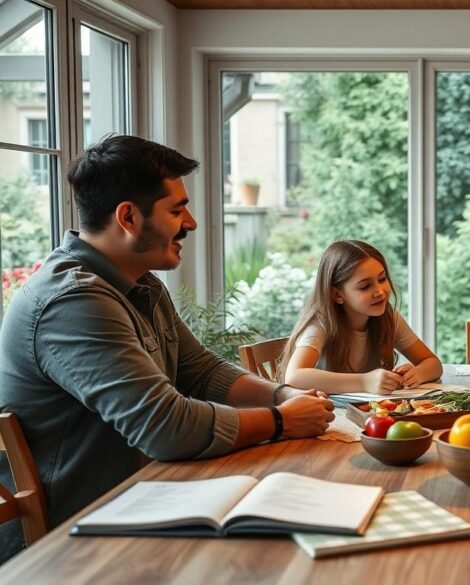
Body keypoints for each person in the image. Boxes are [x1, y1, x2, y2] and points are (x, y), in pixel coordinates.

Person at [0, 135, 335, 562]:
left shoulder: (138, 282)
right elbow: (165, 428)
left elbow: (199, 370)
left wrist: (281, 395)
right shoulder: (73, 302)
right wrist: (279, 421)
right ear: (128, 217)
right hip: (71, 543)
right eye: (177, 209)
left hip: (141, 505)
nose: (191, 222)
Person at [281, 240, 443, 395]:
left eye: (382, 278)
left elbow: (433, 363)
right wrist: (365, 382)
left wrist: (418, 374)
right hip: (330, 416)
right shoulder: (321, 324)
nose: (379, 291)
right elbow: (295, 377)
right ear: (337, 295)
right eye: (365, 286)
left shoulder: (388, 317)